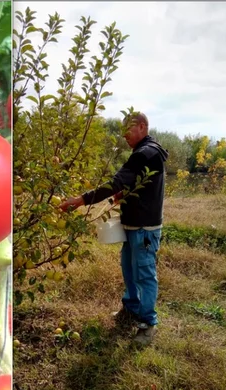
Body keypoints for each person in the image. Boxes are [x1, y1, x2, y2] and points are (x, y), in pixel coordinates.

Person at [59, 112, 168, 346]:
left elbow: (116, 182)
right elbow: (138, 184)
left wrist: (81, 200)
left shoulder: (146, 153)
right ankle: (131, 308)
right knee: (129, 268)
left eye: (128, 129)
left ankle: (148, 323)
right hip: (132, 226)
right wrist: (123, 194)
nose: (124, 135)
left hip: (144, 229)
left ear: (142, 126)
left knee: (144, 273)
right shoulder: (145, 152)